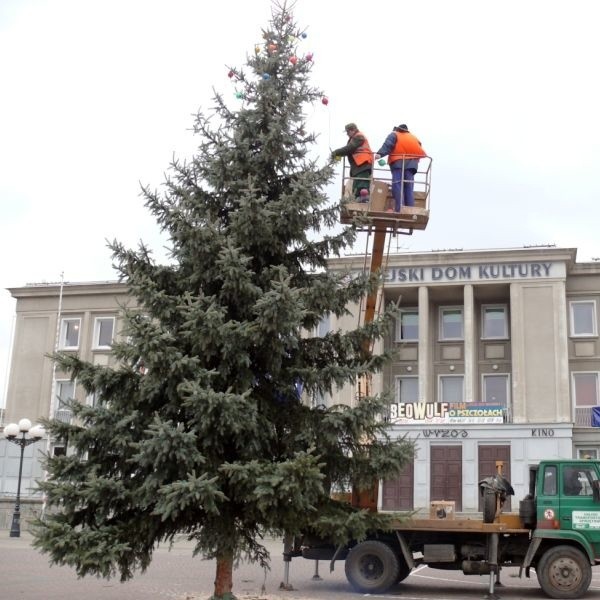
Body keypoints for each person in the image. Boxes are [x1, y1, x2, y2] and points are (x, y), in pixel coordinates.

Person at [375, 123, 426, 212]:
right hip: (411, 165)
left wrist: (379, 154)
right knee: (408, 187)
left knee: (397, 186)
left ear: (397, 129)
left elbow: (388, 145)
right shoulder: (414, 138)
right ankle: (409, 209)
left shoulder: (394, 134)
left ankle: (400, 209)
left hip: (398, 162)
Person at [331, 123, 373, 202]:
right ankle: (358, 198)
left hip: (363, 162)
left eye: (348, 132)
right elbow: (349, 150)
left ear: (352, 130)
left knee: (362, 183)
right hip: (358, 164)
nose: (347, 134)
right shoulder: (355, 137)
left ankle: (364, 199)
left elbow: (350, 148)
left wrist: (336, 152)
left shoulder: (359, 136)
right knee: (357, 184)